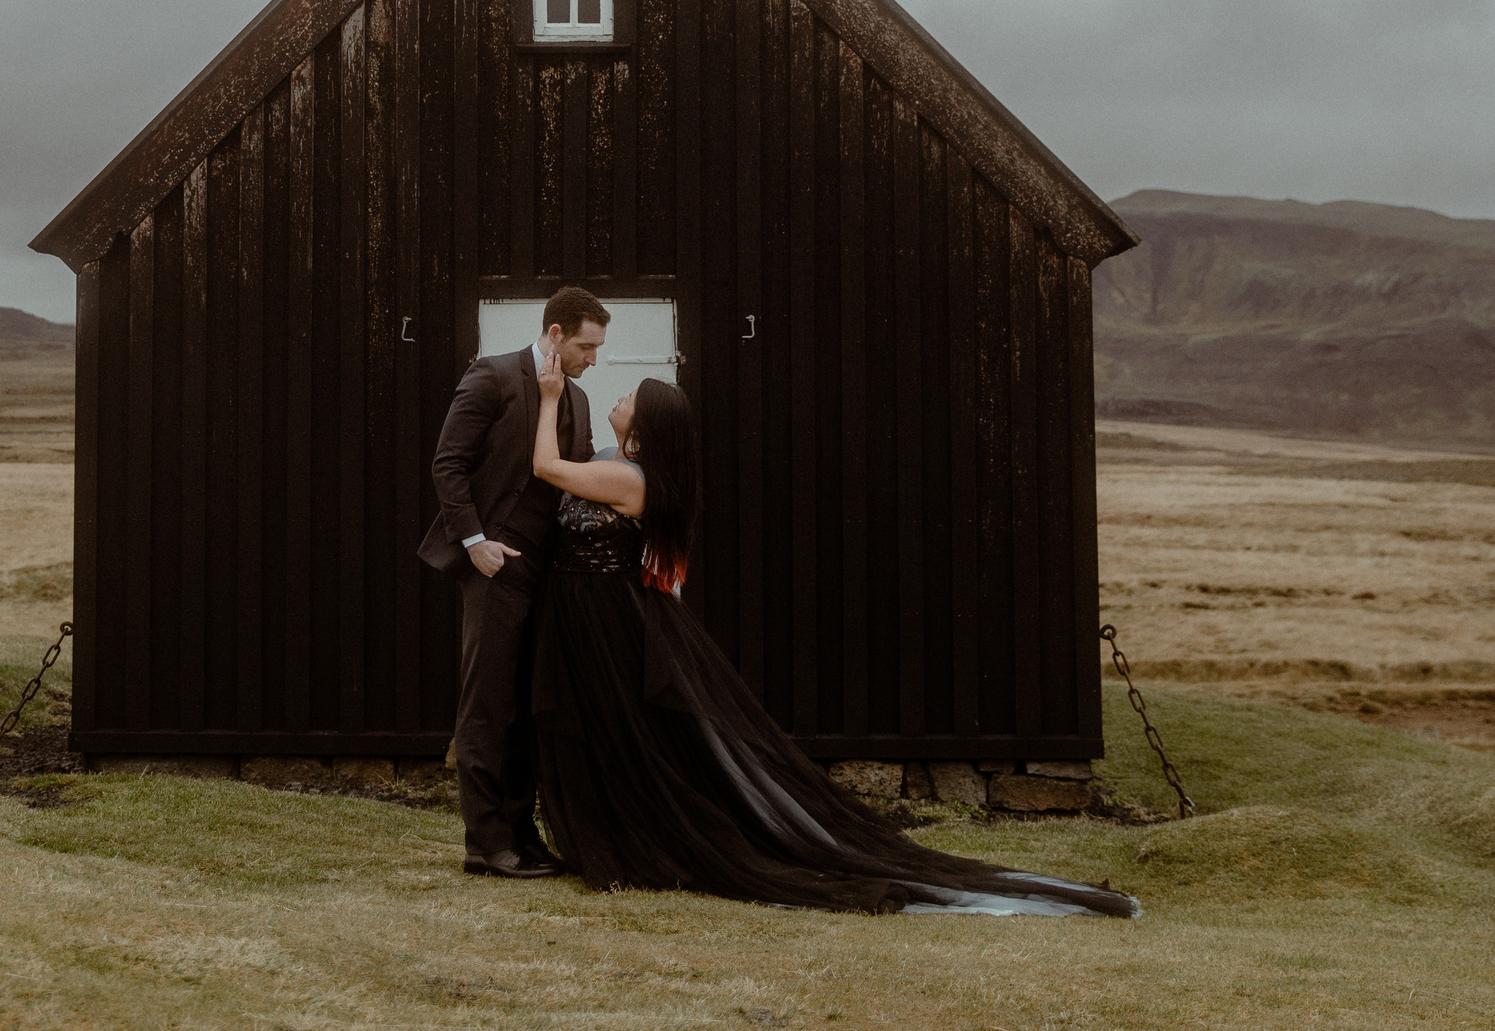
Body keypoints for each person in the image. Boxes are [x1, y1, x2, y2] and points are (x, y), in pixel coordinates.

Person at [525, 359, 1140, 919]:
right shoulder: (612, 459)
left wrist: (550, 397)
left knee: (628, 733)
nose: (621, 393)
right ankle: (613, 839)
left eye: (632, 393)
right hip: (586, 614)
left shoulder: (631, 480)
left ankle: (639, 847)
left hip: (609, 619)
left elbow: (547, 468)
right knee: (605, 730)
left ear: (647, 422)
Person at [416, 285, 609, 879]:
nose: (591, 359)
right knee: (487, 706)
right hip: (494, 567)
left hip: (545, 577)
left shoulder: (574, 398)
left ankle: (522, 837)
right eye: (585, 346)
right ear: (555, 334)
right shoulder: (491, 376)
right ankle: (485, 844)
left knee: (530, 706)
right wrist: (475, 543)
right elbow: (447, 464)